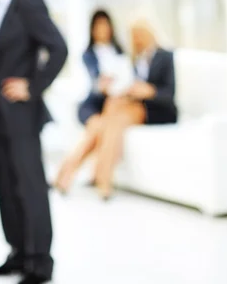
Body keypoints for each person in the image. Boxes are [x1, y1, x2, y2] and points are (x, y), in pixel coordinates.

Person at [0, 0, 68, 284]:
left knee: (30, 185)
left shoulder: (28, 1)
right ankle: (17, 253)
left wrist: (33, 85)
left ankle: (39, 262)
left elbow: (58, 48)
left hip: (21, 113)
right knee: (6, 184)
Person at [54, 18, 177, 199]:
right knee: (105, 118)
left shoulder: (165, 56)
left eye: (140, 35)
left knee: (113, 121)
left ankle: (89, 173)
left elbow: (168, 93)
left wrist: (148, 91)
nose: (137, 40)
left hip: (156, 109)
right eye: (133, 36)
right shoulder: (133, 59)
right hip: (130, 103)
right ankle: (80, 170)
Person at [53, 9, 125, 192]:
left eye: (105, 25)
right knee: (97, 130)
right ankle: (68, 172)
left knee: (100, 133)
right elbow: (95, 80)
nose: (102, 30)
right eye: (98, 26)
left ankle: (66, 172)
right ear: (92, 30)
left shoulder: (120, 52)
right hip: (92, 105)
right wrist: (103, 83)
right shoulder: (89, 54)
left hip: (113, 106)